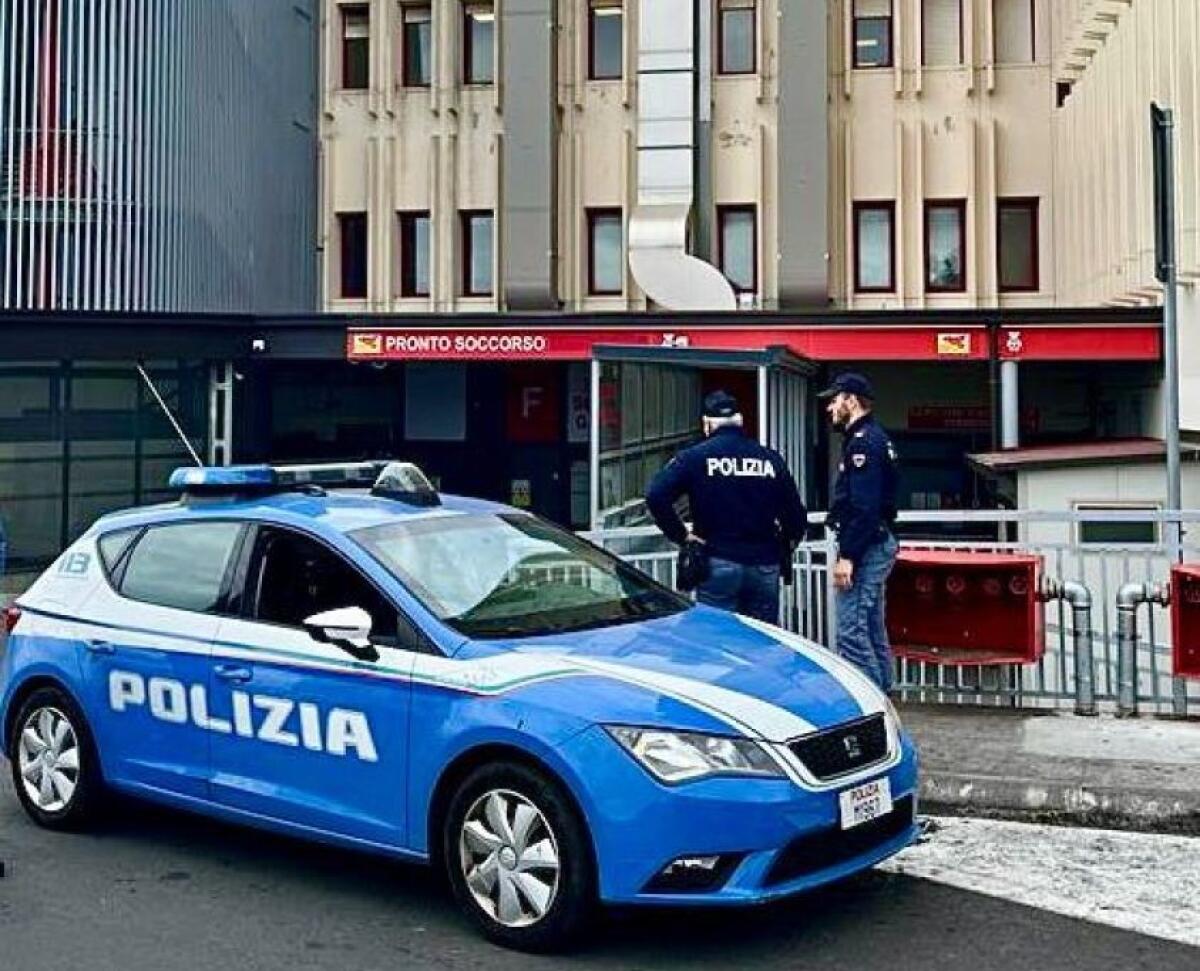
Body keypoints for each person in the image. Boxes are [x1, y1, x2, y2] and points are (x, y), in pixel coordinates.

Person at [646, 390, 807, 624]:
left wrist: (683, 537)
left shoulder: (695, 457)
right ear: (740, 421)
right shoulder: (770, 459)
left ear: (707, 424)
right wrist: (782, 545)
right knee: (761, 642)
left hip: (718, 561)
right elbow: (795, 516)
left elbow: (656, 495)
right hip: (764, 564)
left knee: (718, 641)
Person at [819, 372, 900, 692]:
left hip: (866, 546)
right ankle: (886, 696)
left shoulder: (863, 443)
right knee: (871, 628)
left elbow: (864, 508)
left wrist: (848, 556)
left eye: (835, 400)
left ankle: (869, 704)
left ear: (851, 400)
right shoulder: (876, 437)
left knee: (851, 632)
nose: (830, 408)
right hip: (876, 542)